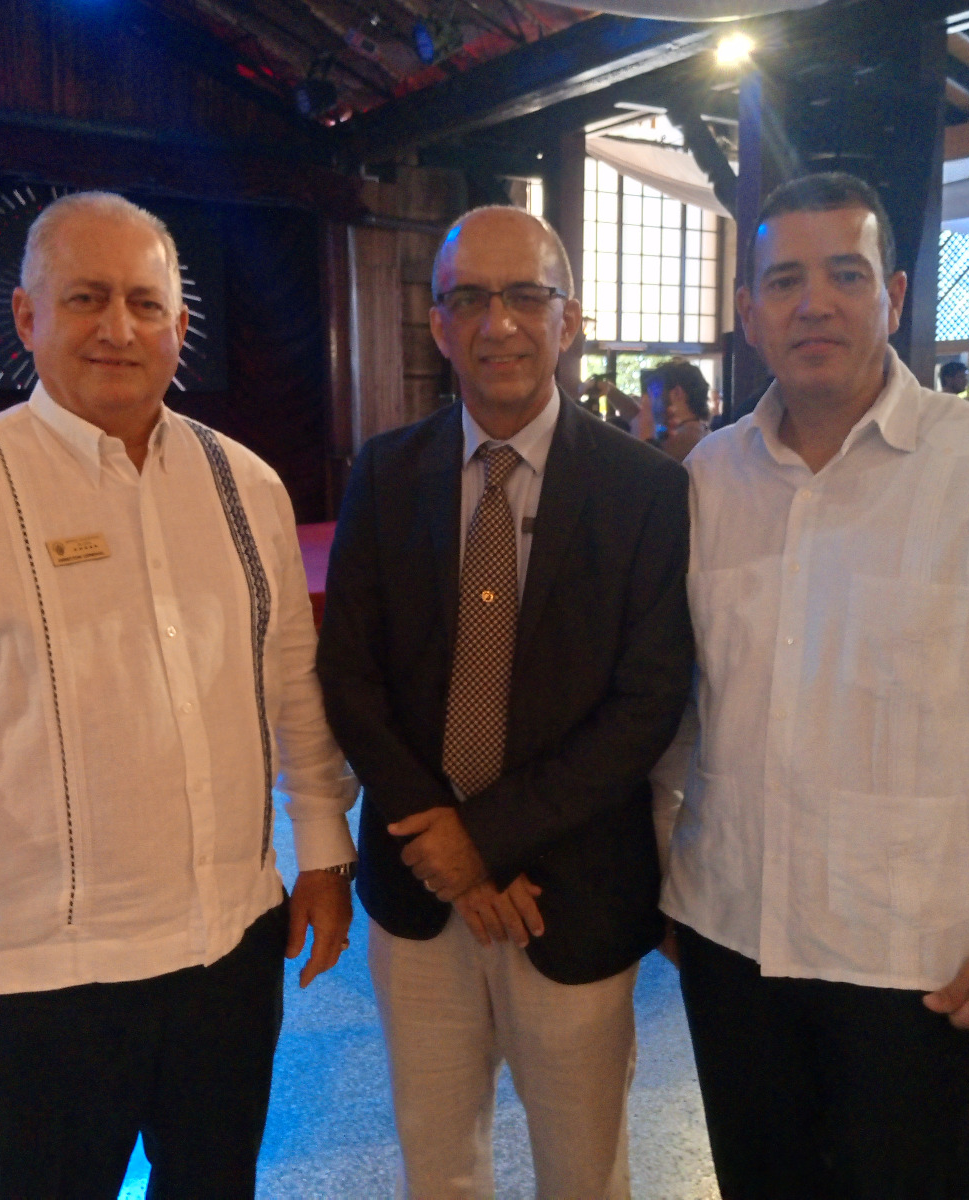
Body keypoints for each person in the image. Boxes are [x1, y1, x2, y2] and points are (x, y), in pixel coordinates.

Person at [0, 191, 357, 1200]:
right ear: (28, 317)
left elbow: (289, 680)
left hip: (229, 956)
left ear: (179, 327)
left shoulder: (247, 485)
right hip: (39, 982)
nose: (119, 328)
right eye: (85, 298)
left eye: (146, 304)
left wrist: (322, 848)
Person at [661, 173, 969, 1200]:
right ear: (747, 313)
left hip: (911, 953)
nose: (812, 302)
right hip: (732, 935)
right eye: (783, 280)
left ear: (895, 296)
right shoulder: (708, 478)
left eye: (844, 274)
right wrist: (665, 875)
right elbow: (683, 705)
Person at [316, 205, 692, 1199]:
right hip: (417, 897)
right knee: (437, 1169)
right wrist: (444, 848)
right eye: (469, 299)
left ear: (568, 319)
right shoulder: (383, 475)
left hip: (571, 896)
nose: (499, 324)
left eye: (526, 296)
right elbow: (350, 676)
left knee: (584, 1176)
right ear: (437, 325)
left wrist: (480, 841)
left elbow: (645, 703)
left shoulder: (647, 490)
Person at [647, 359, 713, 462]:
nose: (652, 402)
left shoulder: (680, 441)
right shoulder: (704, 433)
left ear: (677, 393)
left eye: (656, 394)